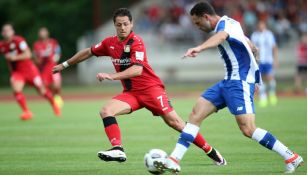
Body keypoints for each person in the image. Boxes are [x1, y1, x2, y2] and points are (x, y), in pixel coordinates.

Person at [52, 8, 226, 165]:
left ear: (131, 24)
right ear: (114, 25)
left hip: (151, 90)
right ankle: (118, 149)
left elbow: (136, 70)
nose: (122, 28)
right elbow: (88, 52)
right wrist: (65, 65)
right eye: (119, 25)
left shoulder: (136, 42)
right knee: (106, 111)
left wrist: (111, 76)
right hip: (131, 94)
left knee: (177, 124)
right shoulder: (109, 43)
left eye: (125, 24)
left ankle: (211, 151)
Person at [153, 1, 303, 174]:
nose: (197, 27)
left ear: (206, 17)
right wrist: (255, 77)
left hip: (239, 83)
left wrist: (199, 48)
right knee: (195, 114)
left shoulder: (224, 27)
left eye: (198, 23)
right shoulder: (233, 23)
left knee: (248, 129)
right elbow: (252, 47)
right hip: (227, 82)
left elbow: (222, 36)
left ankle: (291, 156)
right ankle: (174, 160)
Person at [0, 24, 61, 120]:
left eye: (9, 30)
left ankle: (54, 104)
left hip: (30, 71)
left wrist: (14, 57)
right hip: (18, 73)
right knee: (16, 88)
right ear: (2, 33)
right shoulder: (2, 45)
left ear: (12, 32)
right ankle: (26, 111)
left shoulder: (18, 41)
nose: (7, 32)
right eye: (5, 30)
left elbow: (28, 54)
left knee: (42, 91)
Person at [33, 27, 63, 108]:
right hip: (44, 69)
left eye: (44, 32)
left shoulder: (53, 42)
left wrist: (55, 58)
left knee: (57, 85)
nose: (42, 33)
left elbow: (58, 52)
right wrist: (39, 60)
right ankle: (52, 100)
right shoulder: (36, 45)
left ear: (47, 33)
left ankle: (57, 97)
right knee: (46, 87)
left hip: (54, 67)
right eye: (41, 32)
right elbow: (35, 57)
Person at [251, 21, 278, 107]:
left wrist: (275, 60)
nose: (261, 27)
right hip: (259, 61)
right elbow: (252, 48)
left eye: (262, 25)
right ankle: (263, 97)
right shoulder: (254, 35)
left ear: (265, 25)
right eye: (259, 25)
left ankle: (272, 94)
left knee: (270, 77)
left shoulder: (269, 35)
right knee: (260, 79)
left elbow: (274, 47)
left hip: (268, 60)